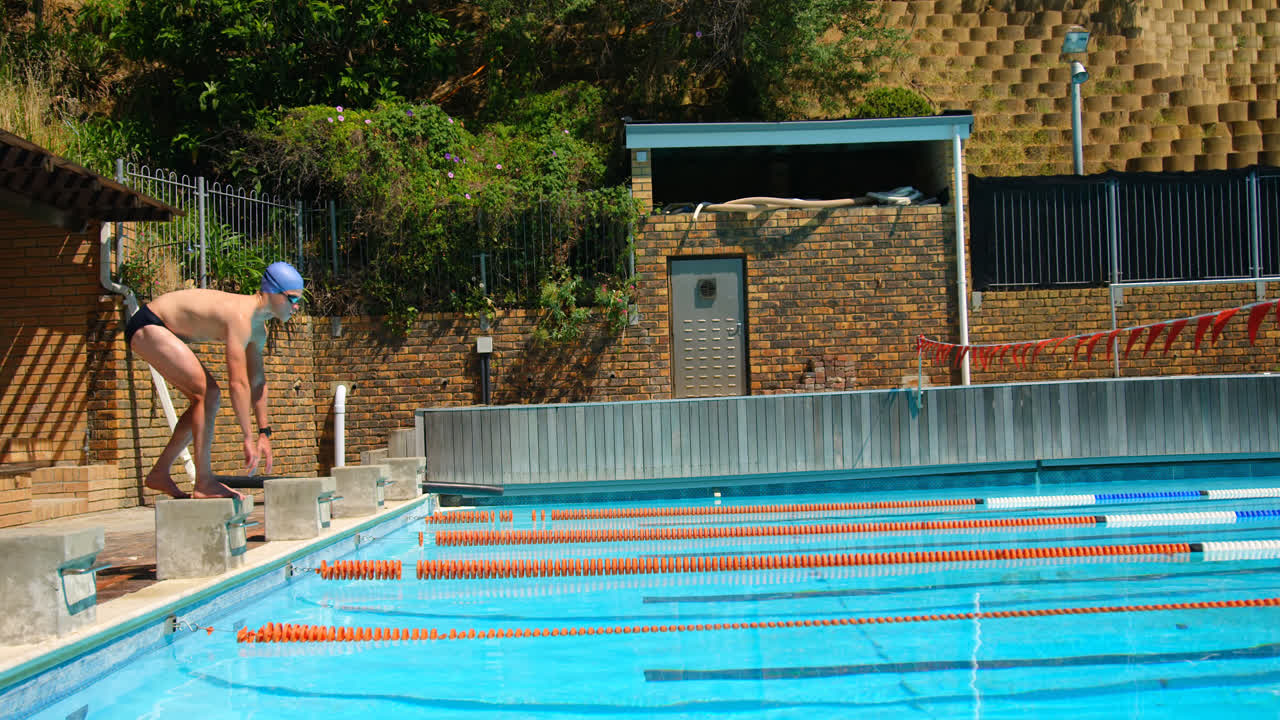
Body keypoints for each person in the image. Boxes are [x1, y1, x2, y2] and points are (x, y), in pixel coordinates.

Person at [125, 261, 305, 499]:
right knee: (206, 393)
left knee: (204, 398)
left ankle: (160, 472)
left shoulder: (258, 329)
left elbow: (257, 382)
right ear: (274, 293)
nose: (296, 307)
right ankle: (204, 482)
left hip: (165, 329)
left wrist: (264, 433)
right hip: (149, 324)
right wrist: (247, 437)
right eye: (292, 299)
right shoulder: (241, 316)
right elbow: (237, 383)